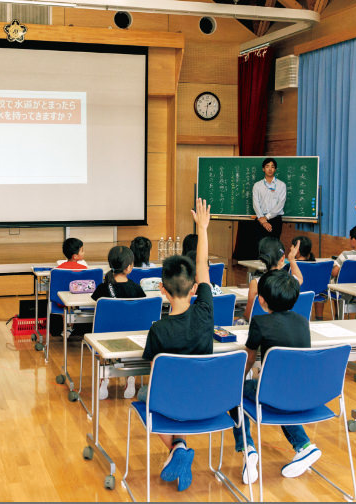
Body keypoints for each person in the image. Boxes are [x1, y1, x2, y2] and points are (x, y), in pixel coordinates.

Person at [141, 198, 214, 493]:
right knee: (173, 396)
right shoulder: (206, 312)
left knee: (148, 395)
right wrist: (203, 229)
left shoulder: (158, 329)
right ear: (195, 289)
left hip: (172, 401)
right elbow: (204, 269)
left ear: (162, 290)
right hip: (209, 400)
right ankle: (180, 447)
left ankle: (179, 447)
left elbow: (152, 374)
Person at [231, 270, 319, 485]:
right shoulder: (302, 321)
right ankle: (304, 446)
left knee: (235, 393)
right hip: (304, 392)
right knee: (279, 396)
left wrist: (236, 381)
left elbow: (249, 358)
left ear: (261, 300)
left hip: (274, 393)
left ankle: (248, 448)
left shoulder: (260, 323)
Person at [92, 245, 145, 400]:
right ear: (129, 267)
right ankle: (131, 378)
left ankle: (104, 380)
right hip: (134, 338)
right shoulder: (137, 289)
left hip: (107, 339)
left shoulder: (102, 289)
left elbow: (97, 306)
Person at [243, 237, 303, 321]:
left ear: (262, 260)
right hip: (287, 326)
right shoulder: (290, 281)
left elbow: (249, 315)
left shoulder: (256, 283)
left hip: (262, 327)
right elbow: (299, 278)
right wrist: (291, 259)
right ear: (282, 258)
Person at [50, 238, 89, 337]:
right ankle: (71, 327)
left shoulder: (58, 270)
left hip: (60, 301)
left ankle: (67, 327)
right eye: (82, 250)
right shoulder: (84, 269)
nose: (84, 252)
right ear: (75, 256)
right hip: (80, 301)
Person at [251, 157, 287, 241]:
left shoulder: (281, 185)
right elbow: (255, 204)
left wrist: (266, 218)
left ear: (275, 169)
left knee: (274, 246)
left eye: (272, 166)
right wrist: (263, 221)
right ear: (263, 169)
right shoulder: (257, 185)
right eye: (267, 166)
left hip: (275, 220)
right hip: (260, 219)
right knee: (260, 246)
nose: (270, 169)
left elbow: (280, 205)